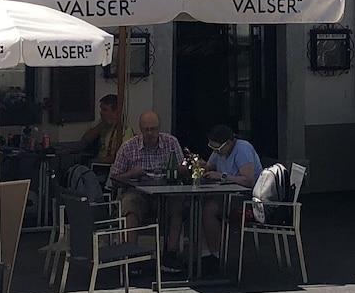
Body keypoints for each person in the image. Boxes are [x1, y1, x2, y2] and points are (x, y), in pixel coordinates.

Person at [109, 110, 186, 260]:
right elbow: (113, 178)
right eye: (146, 130)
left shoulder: (171, 142)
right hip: (138, 193)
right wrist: (132, 173)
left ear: (159, 128)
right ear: (140, 130)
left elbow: (183, 168)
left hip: (166, 192)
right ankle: (131, 254)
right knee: (129, 204)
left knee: (178, 203)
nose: (150, 133)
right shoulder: (128, 147)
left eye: (154, 129)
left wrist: (177, 169)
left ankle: (171, 253)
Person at [199, 123, 261, 265]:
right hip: (225, 194)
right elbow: (210, 166)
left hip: (245, 197)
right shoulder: (219, 151)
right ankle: (202, 252)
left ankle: (216, 255)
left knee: (208, 210)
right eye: (212, 148)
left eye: (218, 149)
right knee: (194, 206)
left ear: (229, 143)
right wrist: (201, 166)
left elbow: (248, 180)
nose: (216, 152)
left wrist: (222, 176)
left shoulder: (242, 150)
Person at [77, 93, 129, 165]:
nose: (101, 112)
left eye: (105, 110)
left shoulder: (125, 131)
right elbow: (85, 140)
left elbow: (118, 158)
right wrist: (102, 124)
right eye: (101, 109)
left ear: (116, 112)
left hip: (109, 168)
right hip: (97, 162)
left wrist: (93, 161)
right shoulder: (102, 125)